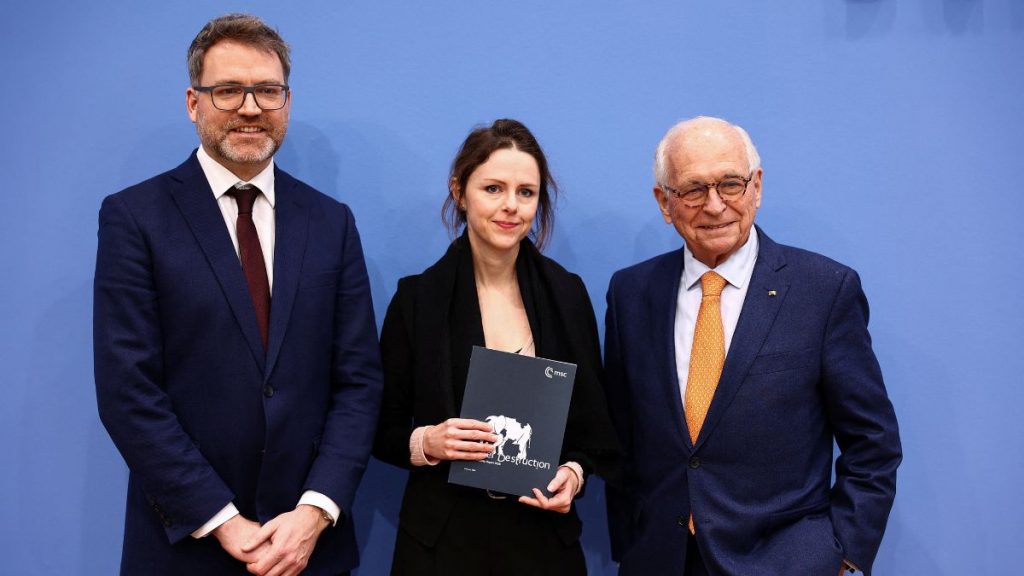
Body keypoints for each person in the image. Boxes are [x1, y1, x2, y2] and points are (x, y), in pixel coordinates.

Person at [93, 14, 382, 576]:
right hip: (184, 547)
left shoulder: (331, 222)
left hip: (309, 550)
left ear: (287, 101)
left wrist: (315, 511)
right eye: (227, 90)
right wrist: (222, 519)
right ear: (192, 102)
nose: (250, 108)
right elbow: (128, 390)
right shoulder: (135, 217)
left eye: (267, 91)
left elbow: (359, 382)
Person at [603, 116, 901, 575]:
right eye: (694, 189)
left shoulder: (823, 290)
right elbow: (622, 433)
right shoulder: (630, 293)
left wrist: (840, 553)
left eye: (730, 184)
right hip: (659, 559)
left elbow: (872, 443)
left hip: (786, 561)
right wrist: (631, 540)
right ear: (665, 202)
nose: (715, 205)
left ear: (756, 187)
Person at [373, 119, 619, 575]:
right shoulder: (417, 300)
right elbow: (380, 427)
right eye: (493, 188)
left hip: (544, 541)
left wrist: (575, 475)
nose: (511, 206)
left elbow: (595, 430)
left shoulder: (567, 294)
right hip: (441, 546)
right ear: (459, 191)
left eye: (526, 192)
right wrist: (427, 441)